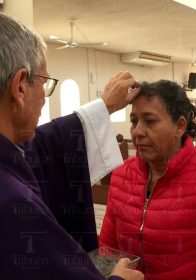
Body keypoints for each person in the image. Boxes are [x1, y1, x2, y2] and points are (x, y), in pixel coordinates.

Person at [0, 12, 144, 280]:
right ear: (19, 87)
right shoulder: (14, 203)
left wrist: (105, 107)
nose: (44, 99)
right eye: (45, 84)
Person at [100, 80, 196, 280]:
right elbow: (108, 251)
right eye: (134, 121)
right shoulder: (122, 176)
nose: (137, 131)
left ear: (179, 126)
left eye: (150, 121)